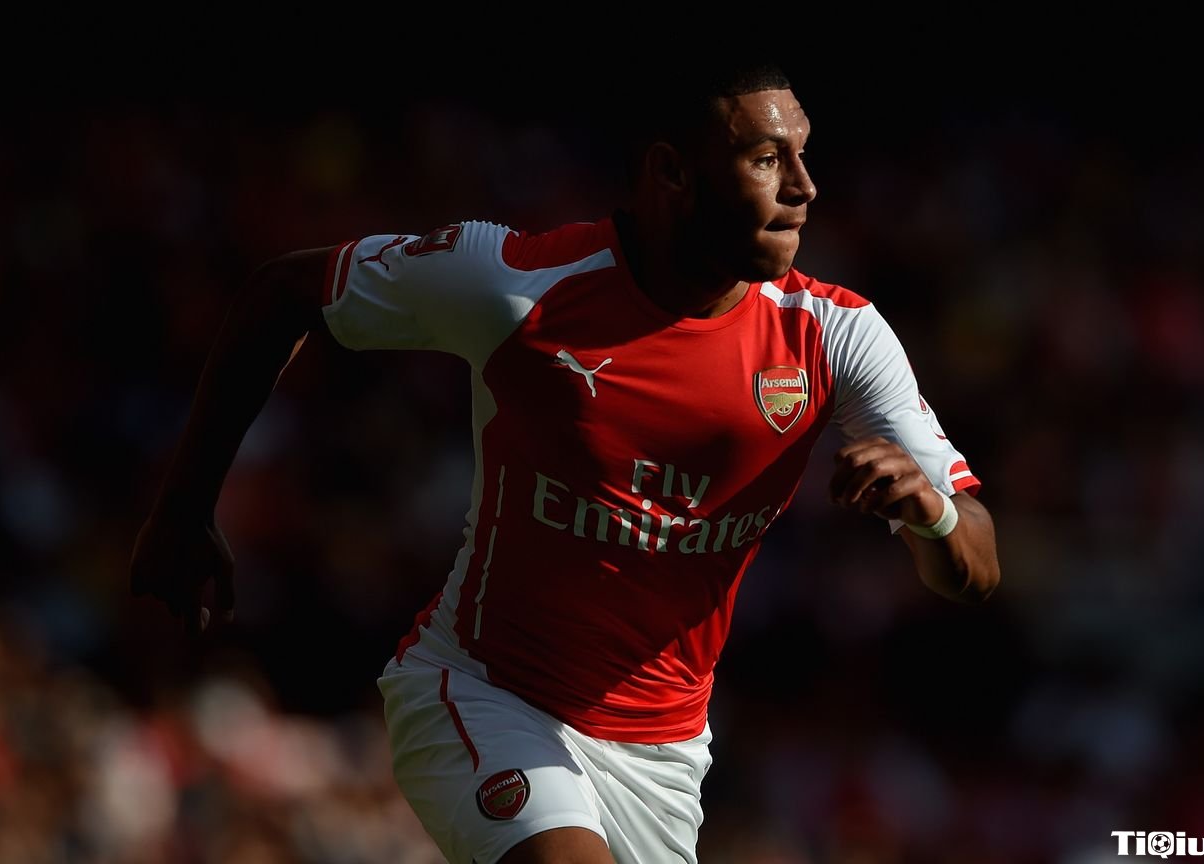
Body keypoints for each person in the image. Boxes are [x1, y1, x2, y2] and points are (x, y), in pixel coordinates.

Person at [130, 63, 1000, 864]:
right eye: (768, 159)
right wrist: (184, 506)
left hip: (663, 757)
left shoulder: (836, 337)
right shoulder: (516, 283)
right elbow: (283, 294)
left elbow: (978, 566)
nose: (804, 188)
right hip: (485, 692)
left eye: (804, 156)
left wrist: (929, 512)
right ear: (672, 172)